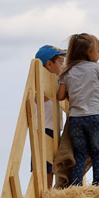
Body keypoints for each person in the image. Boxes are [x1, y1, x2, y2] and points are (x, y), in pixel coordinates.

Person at [57, 33, 99, 186]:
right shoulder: (96, 68)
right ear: (88, 52)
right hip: (96, 116)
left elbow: (60, 96)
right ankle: (98, 183)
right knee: (97, 153)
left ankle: (76, 185)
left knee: (79, 154)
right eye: (98, 51)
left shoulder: (67, 71)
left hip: (76, 119)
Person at [34, 44, 66, 188]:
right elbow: (37, 98)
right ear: (49, 64)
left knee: (52, 165)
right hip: (44, 128)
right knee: (45, 166)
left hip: (52, 128)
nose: (63, 66)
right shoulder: (41, 84)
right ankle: (44, 194)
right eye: (60, 63)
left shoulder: (55, 83)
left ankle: (47, 193)